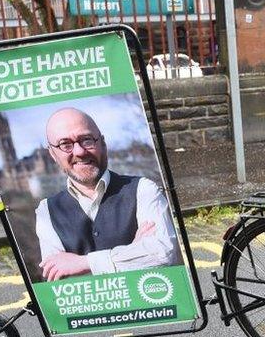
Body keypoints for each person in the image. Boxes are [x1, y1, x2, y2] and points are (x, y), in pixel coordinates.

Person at [34, 107, 181, 282]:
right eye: (65, 144)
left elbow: (164, 254)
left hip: (150, 306)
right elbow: (58, 279)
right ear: (52, 153)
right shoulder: (46, 210)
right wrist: (133, 252)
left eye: (87, 140)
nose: (79, 151)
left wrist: (84, 263)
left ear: (102, 143)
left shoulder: (144, 189)